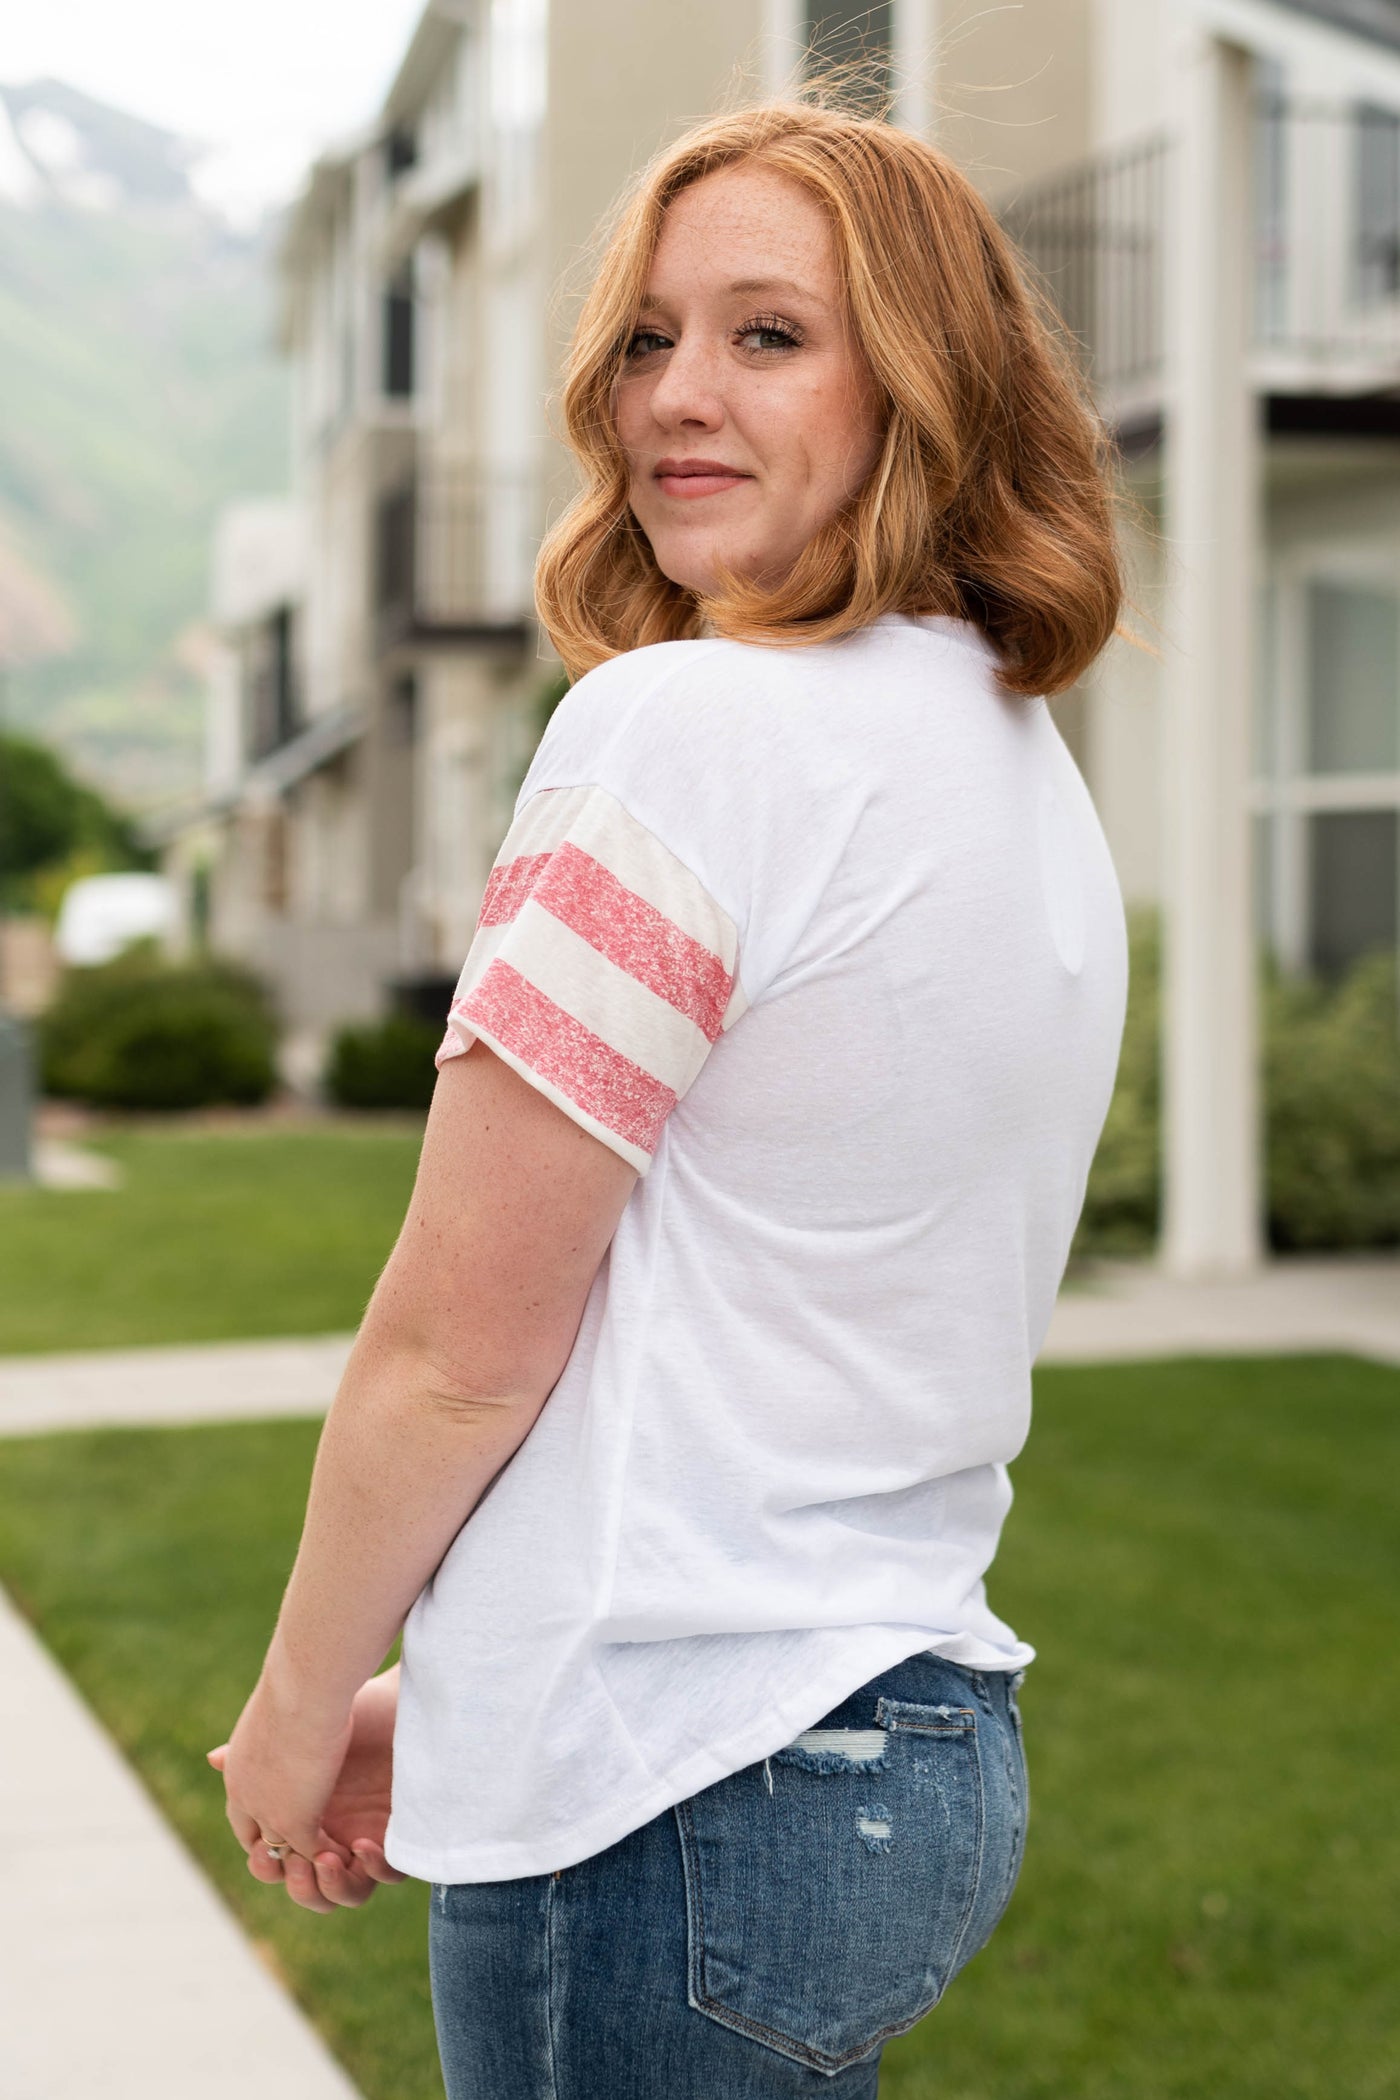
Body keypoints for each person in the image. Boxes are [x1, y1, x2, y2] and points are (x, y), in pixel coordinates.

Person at [210, 93, 1128, 2099]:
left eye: (768, 335)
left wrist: (289, 1710)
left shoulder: (686, 729)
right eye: (646, 335)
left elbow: (457, 1348)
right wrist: (436, 1687)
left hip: (684, 1793)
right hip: (897, 1741)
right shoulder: (1009, 762)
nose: (674, 399)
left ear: (923, 385)